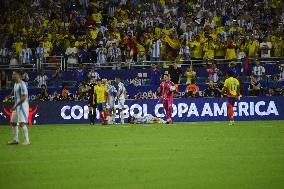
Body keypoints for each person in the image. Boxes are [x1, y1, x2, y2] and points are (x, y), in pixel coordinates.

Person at [7, 70, 30, 145]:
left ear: (18, 75)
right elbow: (14, 90)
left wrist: (16, 105)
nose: (12, 76)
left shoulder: (22, 84)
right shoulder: (15, 83)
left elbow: (24, 97)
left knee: (22, 123)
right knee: (13, 122)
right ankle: (15, 139)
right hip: (16, 105)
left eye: (14, 74)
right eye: (12, 74)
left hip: (22, 105)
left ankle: (27, 140)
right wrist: (10, 95)